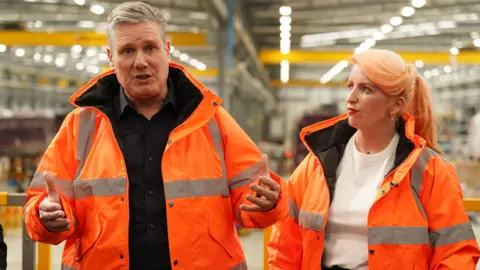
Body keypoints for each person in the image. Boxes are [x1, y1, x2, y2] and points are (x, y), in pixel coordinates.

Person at [22, 2, 287, 269]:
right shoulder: (81, 127)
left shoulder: (211, 120)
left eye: (150, 47)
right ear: (111, 58)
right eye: (127, 51)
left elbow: (254, 207)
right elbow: (41, 206)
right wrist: (45, 217)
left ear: (167, 51)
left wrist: (269, 203)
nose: (140, 61)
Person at [267, 49, 480, 269]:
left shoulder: (430, 170)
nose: (351, 98)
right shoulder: (317, 163)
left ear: (396, 105)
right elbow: (285, 243)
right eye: (350, 86)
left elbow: (455, 253)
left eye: (366, 89)